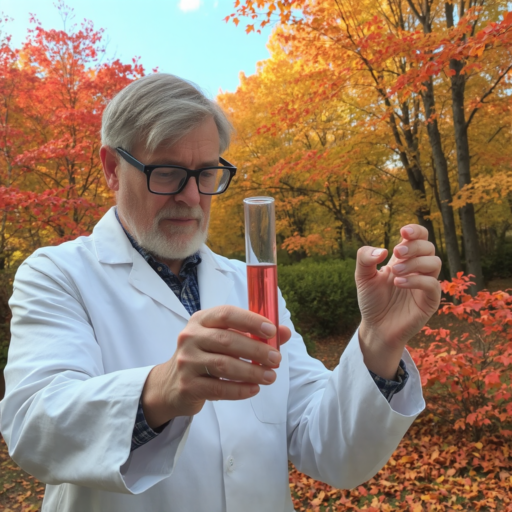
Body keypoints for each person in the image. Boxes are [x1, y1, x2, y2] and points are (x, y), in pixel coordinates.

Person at [0, 73, 441, 512]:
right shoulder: (57, 274)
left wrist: (378, 342)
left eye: (207, 173)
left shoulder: (248, 283)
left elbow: (331, 450)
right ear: (113, 169)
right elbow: (34, 426)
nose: (192, 196)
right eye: (168, 172)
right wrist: (161, 389)